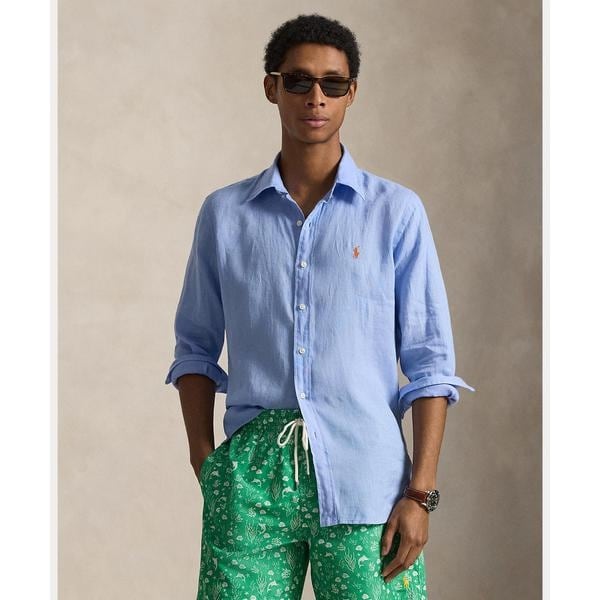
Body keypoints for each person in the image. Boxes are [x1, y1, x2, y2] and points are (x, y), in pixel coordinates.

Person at [165, 13, 475, 599]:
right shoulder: (225, 215)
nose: (316, 97)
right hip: (252, 477)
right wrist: (207, 462)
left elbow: (430, 364)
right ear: (271, 87)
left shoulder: (395, 212)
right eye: (299, 81)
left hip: (368, 478)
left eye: (333, 84)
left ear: (351, 92)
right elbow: (195, 348)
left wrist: (420, 493)